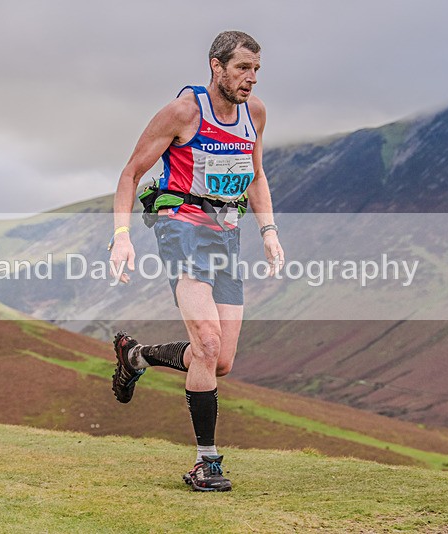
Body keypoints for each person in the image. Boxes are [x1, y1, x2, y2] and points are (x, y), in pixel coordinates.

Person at [109, 30, 284, 492]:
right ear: (216, 66)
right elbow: (130, 173)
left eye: (256, 70)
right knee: (206, 342)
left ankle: (136, 356)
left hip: (227, 233)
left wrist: (268, 232)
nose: (251, 78)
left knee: (219, 360)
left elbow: (256, 176)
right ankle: (206, 463)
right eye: (242, 68)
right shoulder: (184, 112)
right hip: (181, 227)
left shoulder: (255, 114)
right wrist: (121, 237)